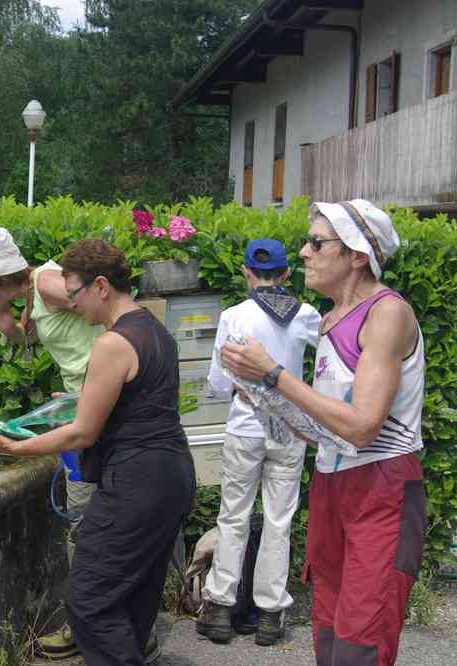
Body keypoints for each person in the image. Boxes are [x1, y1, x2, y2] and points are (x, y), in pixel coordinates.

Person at [220, 200, 426, 666]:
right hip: (333, 484)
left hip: (382, 486)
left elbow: (363, 426)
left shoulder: (386, 312)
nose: (304, 252)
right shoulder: (330, 317)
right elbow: (324, 428)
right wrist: (260, 390)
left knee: (360, 643)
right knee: (330, 635)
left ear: (357, 255)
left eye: (317, 242)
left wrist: (273, 374)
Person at [0, 239, 196, 666]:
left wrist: (19, 446)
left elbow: (82, 433)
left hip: (137, 483)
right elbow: (136, 405)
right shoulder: (152, 329)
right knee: (134, 598)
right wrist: (75, 400)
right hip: (172, 475)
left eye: (75, 294)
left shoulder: (112, 344)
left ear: (100, 286)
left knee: (88, 599)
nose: (73, 306)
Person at [0, 227, 112, 660]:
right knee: (92, 520)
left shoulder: (47, 282)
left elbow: (112, 311)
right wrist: (6, 324)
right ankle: (105, 623)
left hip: (98, 411)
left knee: (87, 525)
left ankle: (89, 627)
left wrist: (103, 382)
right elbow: (45, 336)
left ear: (3, 274)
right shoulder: (33, 296)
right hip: (86, 407)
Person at [195, 239, 321, 646]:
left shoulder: (233, 316)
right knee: (279, 520)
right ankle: (270, 616)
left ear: (247, 272)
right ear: (287, 273)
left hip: (245, 429)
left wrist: (239, 387)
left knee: (233, 516)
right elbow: (330, 359)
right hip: (290, 430)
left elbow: (216, 385)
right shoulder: (307, 314)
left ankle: (218, 610)